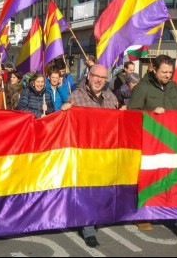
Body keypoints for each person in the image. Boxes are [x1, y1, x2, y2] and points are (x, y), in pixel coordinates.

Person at [128, 55, 177, 239]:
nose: (168, 75)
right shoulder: (142, 88)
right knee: (150, 179)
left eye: (170, 72)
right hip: (149, 143)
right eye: (164, 72)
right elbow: (132, 114)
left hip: (171, 141)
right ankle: (142, 215)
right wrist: (150, 113)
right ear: (154, 69)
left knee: (174, 180)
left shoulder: (172, 86)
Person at [60, 63, 119, 247]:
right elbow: (65, 123)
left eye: (102, 78)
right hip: (84, 153)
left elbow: (118, 122)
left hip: (106, 153)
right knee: (87, 191)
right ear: (88, 76)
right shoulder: (77, 96)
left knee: (101, 190)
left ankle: (95, 218)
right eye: (95, 76)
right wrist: (65, 110)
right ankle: (88, 229)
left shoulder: (111, 98)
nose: (99, 80)